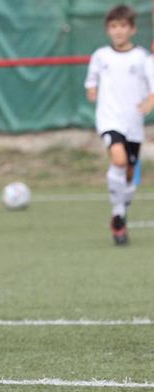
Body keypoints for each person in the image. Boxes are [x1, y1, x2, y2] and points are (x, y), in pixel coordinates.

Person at [85, 4, 154, 245]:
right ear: (107, 30)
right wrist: (92, 90)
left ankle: (119, 216)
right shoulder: (100, 56)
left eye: (123, 26)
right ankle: (118, 216)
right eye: (113, 26)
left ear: (132, 29)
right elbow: (91, 81)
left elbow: (153, 87)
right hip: (109, 119)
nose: (118, 31)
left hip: (133, 122)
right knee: (119, 159)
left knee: (128, 174)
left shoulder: (143, 57)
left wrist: (150, 100)